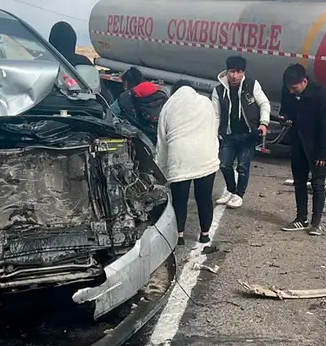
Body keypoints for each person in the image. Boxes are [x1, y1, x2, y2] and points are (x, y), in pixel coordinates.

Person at [155, 80, 220, 246]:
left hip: (180, 157)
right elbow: (214, 128)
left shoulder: (168, 106)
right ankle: (205, 234)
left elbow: (162, 141)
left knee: (180, 200)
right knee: (204, 198)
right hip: (205, 156)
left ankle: (180, 236)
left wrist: (160, 168)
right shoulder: (205, 102)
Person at [278, 63, 326, 236]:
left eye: (294, 88)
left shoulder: (320, 94)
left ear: (304, 81)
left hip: (316, 145)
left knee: (318, 184)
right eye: (289, 88)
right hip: (297, 143)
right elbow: (285, 111)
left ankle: (316, 222)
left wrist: (323, 151)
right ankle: (300, 218)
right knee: (299, 183)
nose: (291, 91)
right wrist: (284, 118)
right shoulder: (287, 91)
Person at [211, 55, 271, 209]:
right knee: (224, 164)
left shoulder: (252, 85)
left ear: (243, 72)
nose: (235, 76)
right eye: (232, 71)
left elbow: (264, 104)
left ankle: (239, 194)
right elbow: (216, 114)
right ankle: (230, 190)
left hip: (248, 134)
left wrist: (263, 124)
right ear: (227, 71)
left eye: (238, 72)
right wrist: (213, 134)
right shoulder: (218, 90)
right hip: (228, 134)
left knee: (243, 166)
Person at [108, 67, 168, 143]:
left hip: (141, 141)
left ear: (126, 83)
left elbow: (110, 114)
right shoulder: (158, 93)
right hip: (160, 137)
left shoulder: (125, 97)